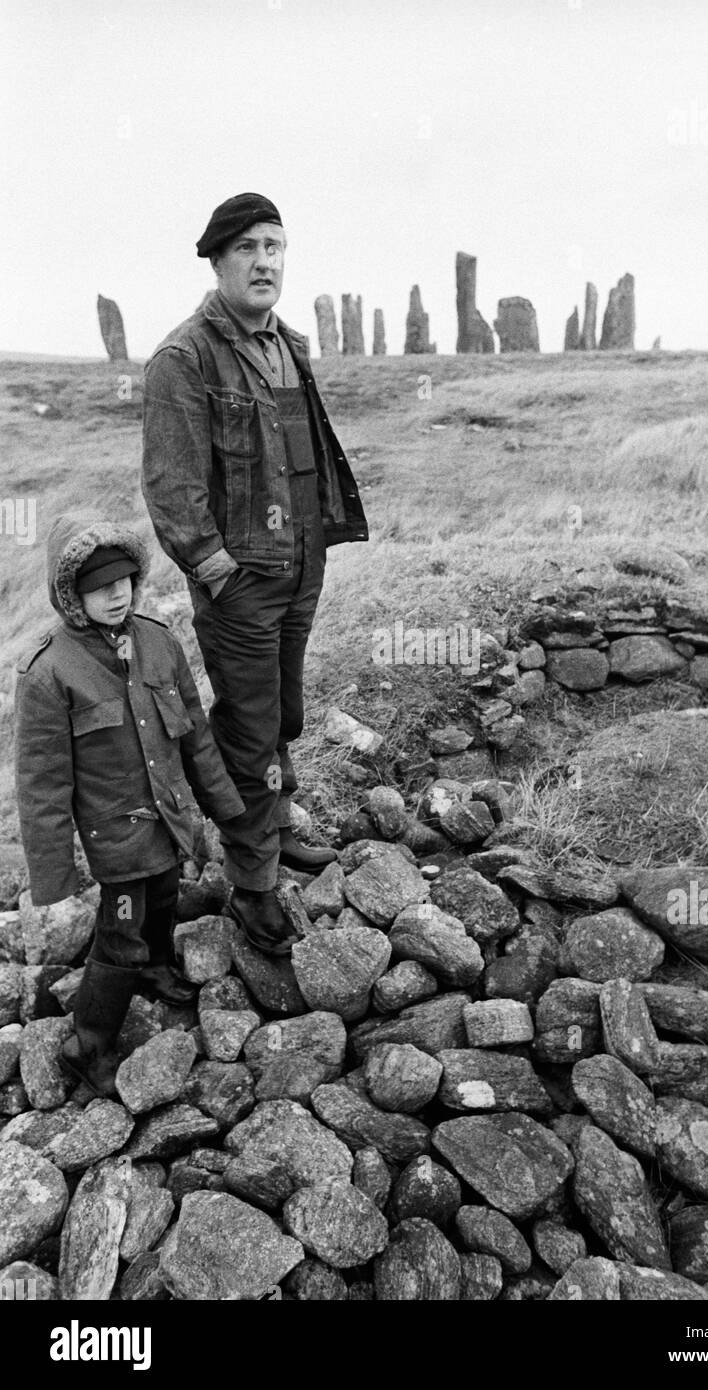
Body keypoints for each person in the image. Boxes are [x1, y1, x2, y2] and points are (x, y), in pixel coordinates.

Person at [141, 192, 368, 956]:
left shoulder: (291, 344)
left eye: (274, 245)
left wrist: (316, 549)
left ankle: (275, 827)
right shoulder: (185, 358)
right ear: (217, 260)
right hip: (242, 584)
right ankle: (254, 883)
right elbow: (172, 488)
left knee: (285, 715)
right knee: (247, 727)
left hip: (301, 567)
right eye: (247, 248)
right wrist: (218, 574)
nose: (265, 261)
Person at [14, 513, 245, 1096]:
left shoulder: (159, 641)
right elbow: (41, 787)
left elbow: (195, 735)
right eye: (98, 587)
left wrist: (225, 807)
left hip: (169, 822)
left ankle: (157, 966)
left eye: (123, 581)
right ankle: (86, 1044)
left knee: (166, 893)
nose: (116, 595)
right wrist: (55, 878)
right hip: (113, 841)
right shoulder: (47, 674)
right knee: (120, 932)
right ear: (71, 595)